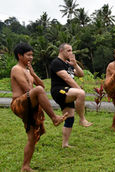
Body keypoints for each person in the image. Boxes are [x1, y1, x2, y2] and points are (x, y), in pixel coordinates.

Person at [10, 42, 68, 171]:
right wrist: (36, 87)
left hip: (29, 104)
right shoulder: (16, 69)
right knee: (38, 90)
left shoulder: (27, 70)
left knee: (32, 137)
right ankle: (54, 118)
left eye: (32, 55)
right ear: (20, 56)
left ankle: (25, 166)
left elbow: (42, 85)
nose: (31, 58)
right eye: (28, 55)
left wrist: (33, 73)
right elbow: (28, 90)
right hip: (18, 104)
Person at [50, 43, 92, 148]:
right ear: (61, 51)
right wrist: (78, 90)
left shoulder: (67, 64)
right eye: (68, 50)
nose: (71, 53)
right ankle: (82, 119)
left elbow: (81, 74)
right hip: (59, 90)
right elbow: (67, 78)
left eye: (71, 50)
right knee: (81, 93)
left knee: (69, 118)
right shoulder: (56, 62)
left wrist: (75, 65)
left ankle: (65, 144)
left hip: (67, 91)